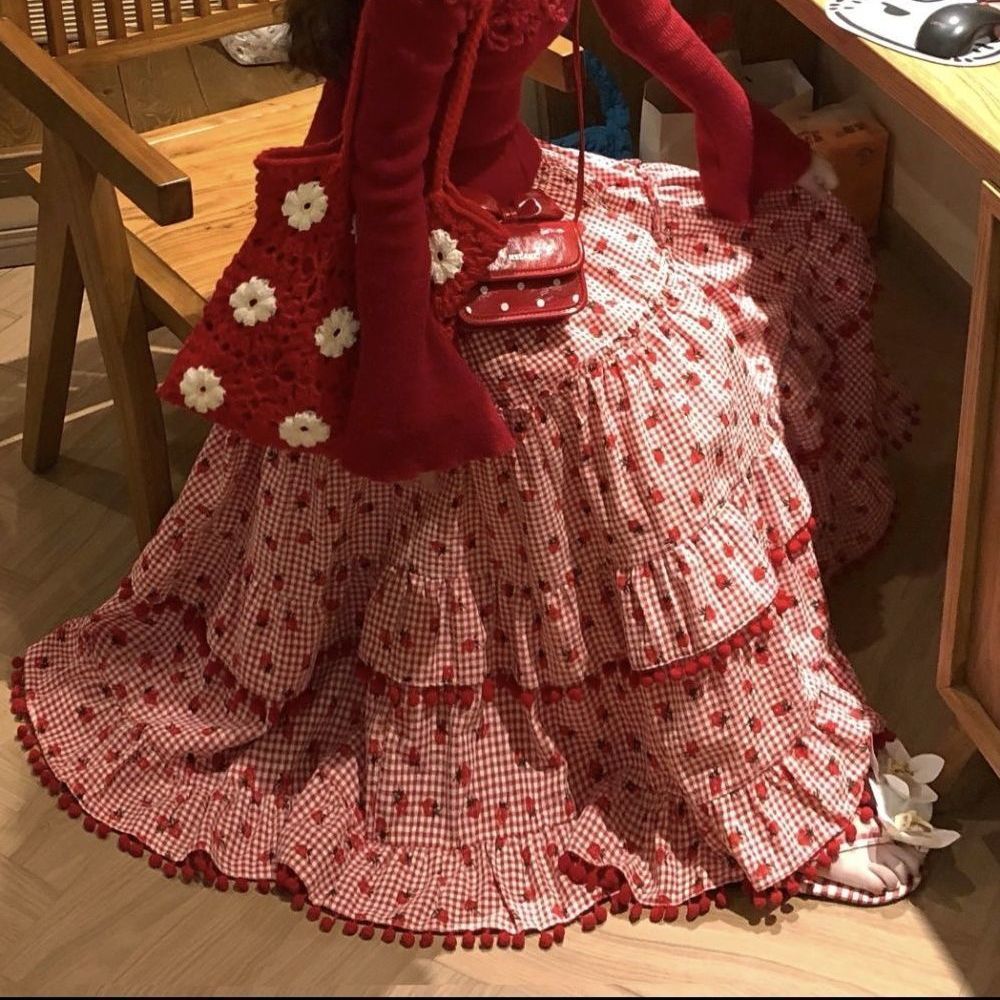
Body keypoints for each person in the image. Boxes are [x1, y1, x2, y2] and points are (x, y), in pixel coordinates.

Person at [9, 0, 956, 950]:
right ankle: (718, 751)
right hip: (420, 253)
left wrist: (737, 123)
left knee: (760, 259)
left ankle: (739, 678)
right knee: (643, 394)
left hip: (513, 195)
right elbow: (384, 179)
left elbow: (641, 19)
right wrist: (402, 380)